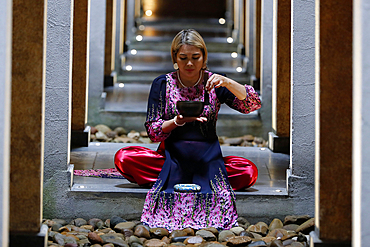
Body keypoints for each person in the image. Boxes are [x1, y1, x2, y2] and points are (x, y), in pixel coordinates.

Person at [114, 29, 261, 231]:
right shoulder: (163, 84)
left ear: (204, 57)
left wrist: (227, 82)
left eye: (195, 57)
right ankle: (172, 177)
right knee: (125, 157)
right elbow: (153, 131)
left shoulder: (215, 82)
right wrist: (176, 121)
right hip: (171, 156)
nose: (189, 63)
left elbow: (252, 104)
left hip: (208, 158)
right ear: (175, 57)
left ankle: (197, 179)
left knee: (248, 171)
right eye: (183, 58)